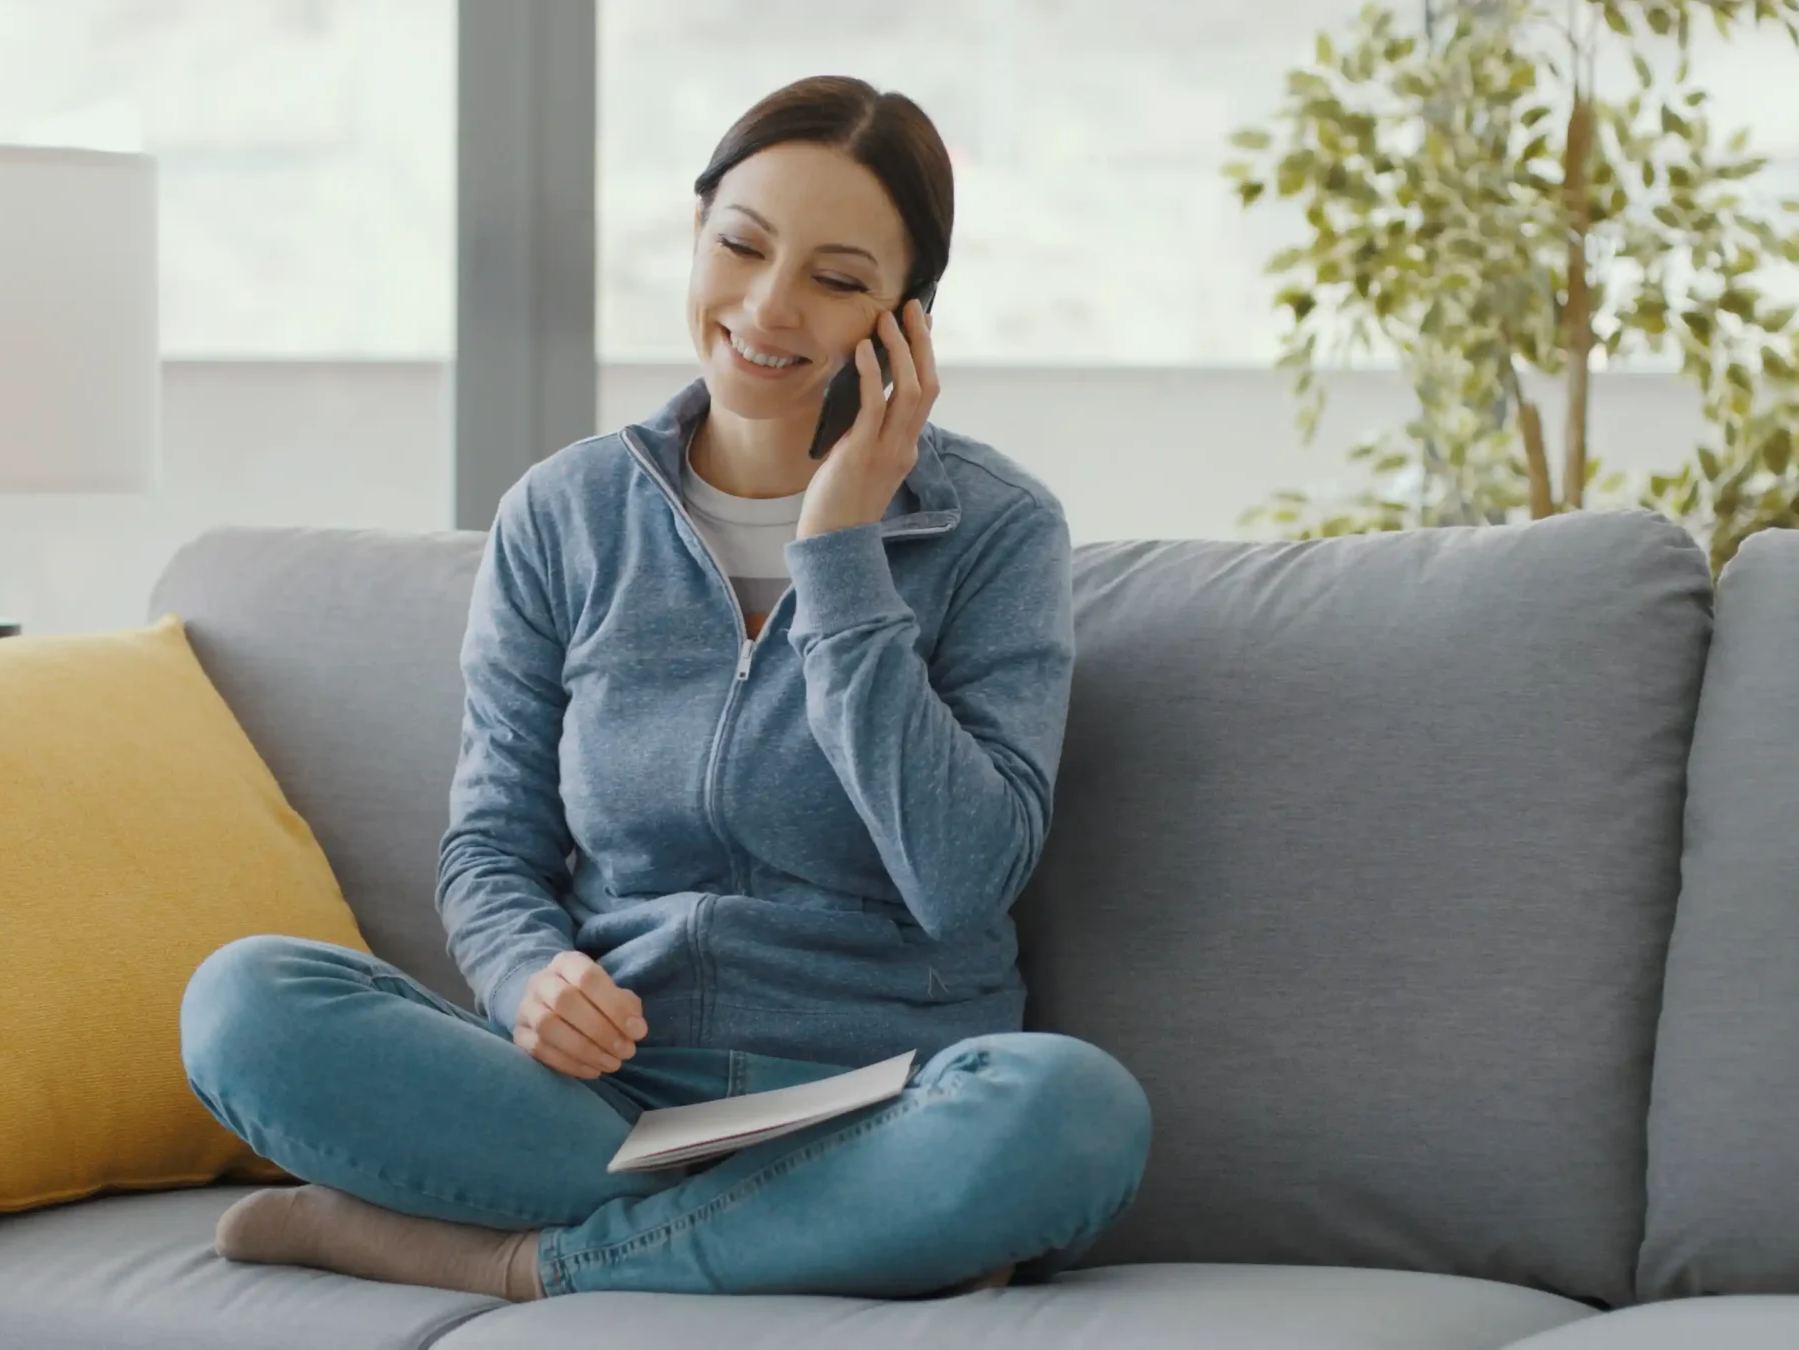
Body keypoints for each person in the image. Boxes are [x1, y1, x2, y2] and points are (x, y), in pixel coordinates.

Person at [180, 75, 1149, 1301]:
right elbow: (489, 847)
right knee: (245, 1001)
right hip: (599, 1100)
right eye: (740, 246)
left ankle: (530, 1263)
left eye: (837, 280)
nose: (767, 306)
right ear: (696, 233)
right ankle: (804, 1241)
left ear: (907, 320)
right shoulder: (563, 515)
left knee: (1072, 1111)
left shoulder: (997, 531)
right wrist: (530, 975)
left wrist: (841, 557)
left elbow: (962, 880)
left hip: (880, 1104)